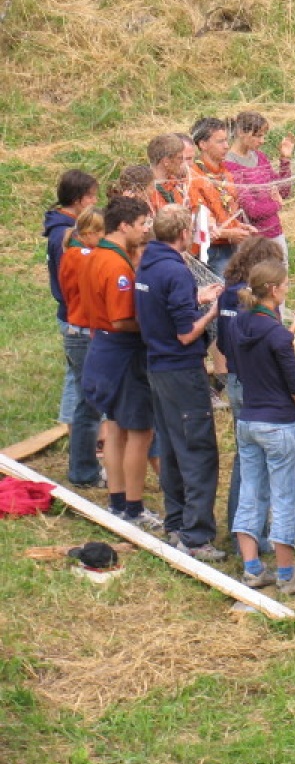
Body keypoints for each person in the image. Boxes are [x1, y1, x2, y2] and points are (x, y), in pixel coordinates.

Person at [135, 205, 226, 560]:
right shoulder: (177, 272)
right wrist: (209, 313)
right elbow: (186, 334)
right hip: (181, 370)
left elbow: (162, 304)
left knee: (172, 447)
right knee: (198, 452)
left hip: (156, 367)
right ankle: (196, 536)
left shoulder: (149, 263)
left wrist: (194, 298)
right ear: (184, 234)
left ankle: (175, 522)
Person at [229, 259, 295, 594]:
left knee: (250, 492)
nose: (287, 288)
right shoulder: (277, 335)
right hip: (278, 422)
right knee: (284, 496)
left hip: (248, 419)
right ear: (275, 289)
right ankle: (286, 573)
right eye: (286, 284)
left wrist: (288, 332)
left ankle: (252, 569)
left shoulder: (239, 323)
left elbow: (260, 351)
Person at [82, 197, 158, 528]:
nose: (145, 230)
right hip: (123, 353)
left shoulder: (95, 254)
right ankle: (133, 507)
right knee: (139, 432)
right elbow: (121, 318)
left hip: (102, 348)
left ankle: (117, 499)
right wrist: (156, 325)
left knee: (114, 427)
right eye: (142, 224)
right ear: (124, 226)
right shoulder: (117, 266)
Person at [219, 237, 284, 551]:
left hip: (235, 378)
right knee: (257, 461)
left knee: (245, 458)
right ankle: (252, 532)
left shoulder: (226, 294)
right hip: (255, 384)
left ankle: (243, 529)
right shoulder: (251, 305)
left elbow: (222, 342)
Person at [45, 168, 99, 446]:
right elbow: (70, 282)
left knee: (75, 378)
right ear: (78, 200)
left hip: (72, 315)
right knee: (83, 384)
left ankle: (72, 432)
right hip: (75, 317)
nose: (95, 202)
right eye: (92, 197)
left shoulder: (63, 231)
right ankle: (78, 436)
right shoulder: (64, 238)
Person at [57, 207, 106, 489]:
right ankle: (82, 470)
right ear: (87, 234)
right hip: (83, 334)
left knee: (86, 405)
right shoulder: (81, 257)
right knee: (88, 408)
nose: (104, 238)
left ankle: (83, 466)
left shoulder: (75, 253)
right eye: (100, 233)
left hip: (80, 332)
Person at [224, 111, 295, 259]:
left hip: (276, 233)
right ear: (242, 133)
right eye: (258, 135)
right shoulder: (230, 165)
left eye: (263, 135)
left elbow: (283, 191)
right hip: (254, 240)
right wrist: (277, 205)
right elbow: (252, 210)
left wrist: (285, 159)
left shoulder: (260, 157)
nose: (262, 140)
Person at [189, 117, 253, 275]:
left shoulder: (225, 172)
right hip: (212, 251)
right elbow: (198, 224)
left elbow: (229, 211)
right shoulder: (194, 176)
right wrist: (230, 233)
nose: (226, 146)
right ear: (202, 144)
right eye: (220, 141)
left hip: (231, 247)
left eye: (226, 140)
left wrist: (239, 227)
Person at [145, 132, 189, 212]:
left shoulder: (176, 184)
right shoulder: (147, 191)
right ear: (166, 161)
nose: (183, 162)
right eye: (180, 158)